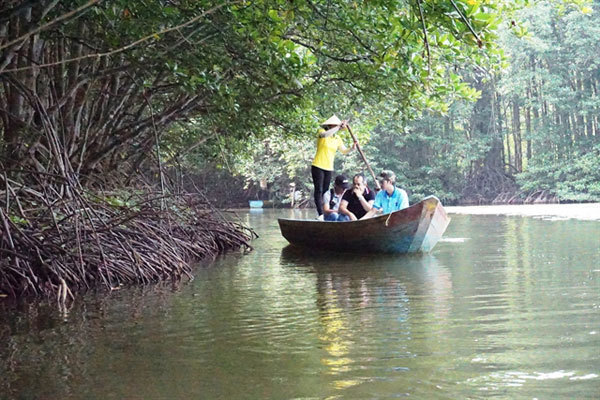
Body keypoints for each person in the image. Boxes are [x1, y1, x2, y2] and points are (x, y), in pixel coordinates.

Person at [311, 115, 356, 217]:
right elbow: (324, 135)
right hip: (318, 165)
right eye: (335, 125)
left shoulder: (337, 138)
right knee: (319, 189)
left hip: (328, 167)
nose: (337, 127)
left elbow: (344, 150)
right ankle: (320, 214)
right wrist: (338, 127)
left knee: (326, 191)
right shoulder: (321, 131)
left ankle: (326, 212)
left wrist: (352, 148)